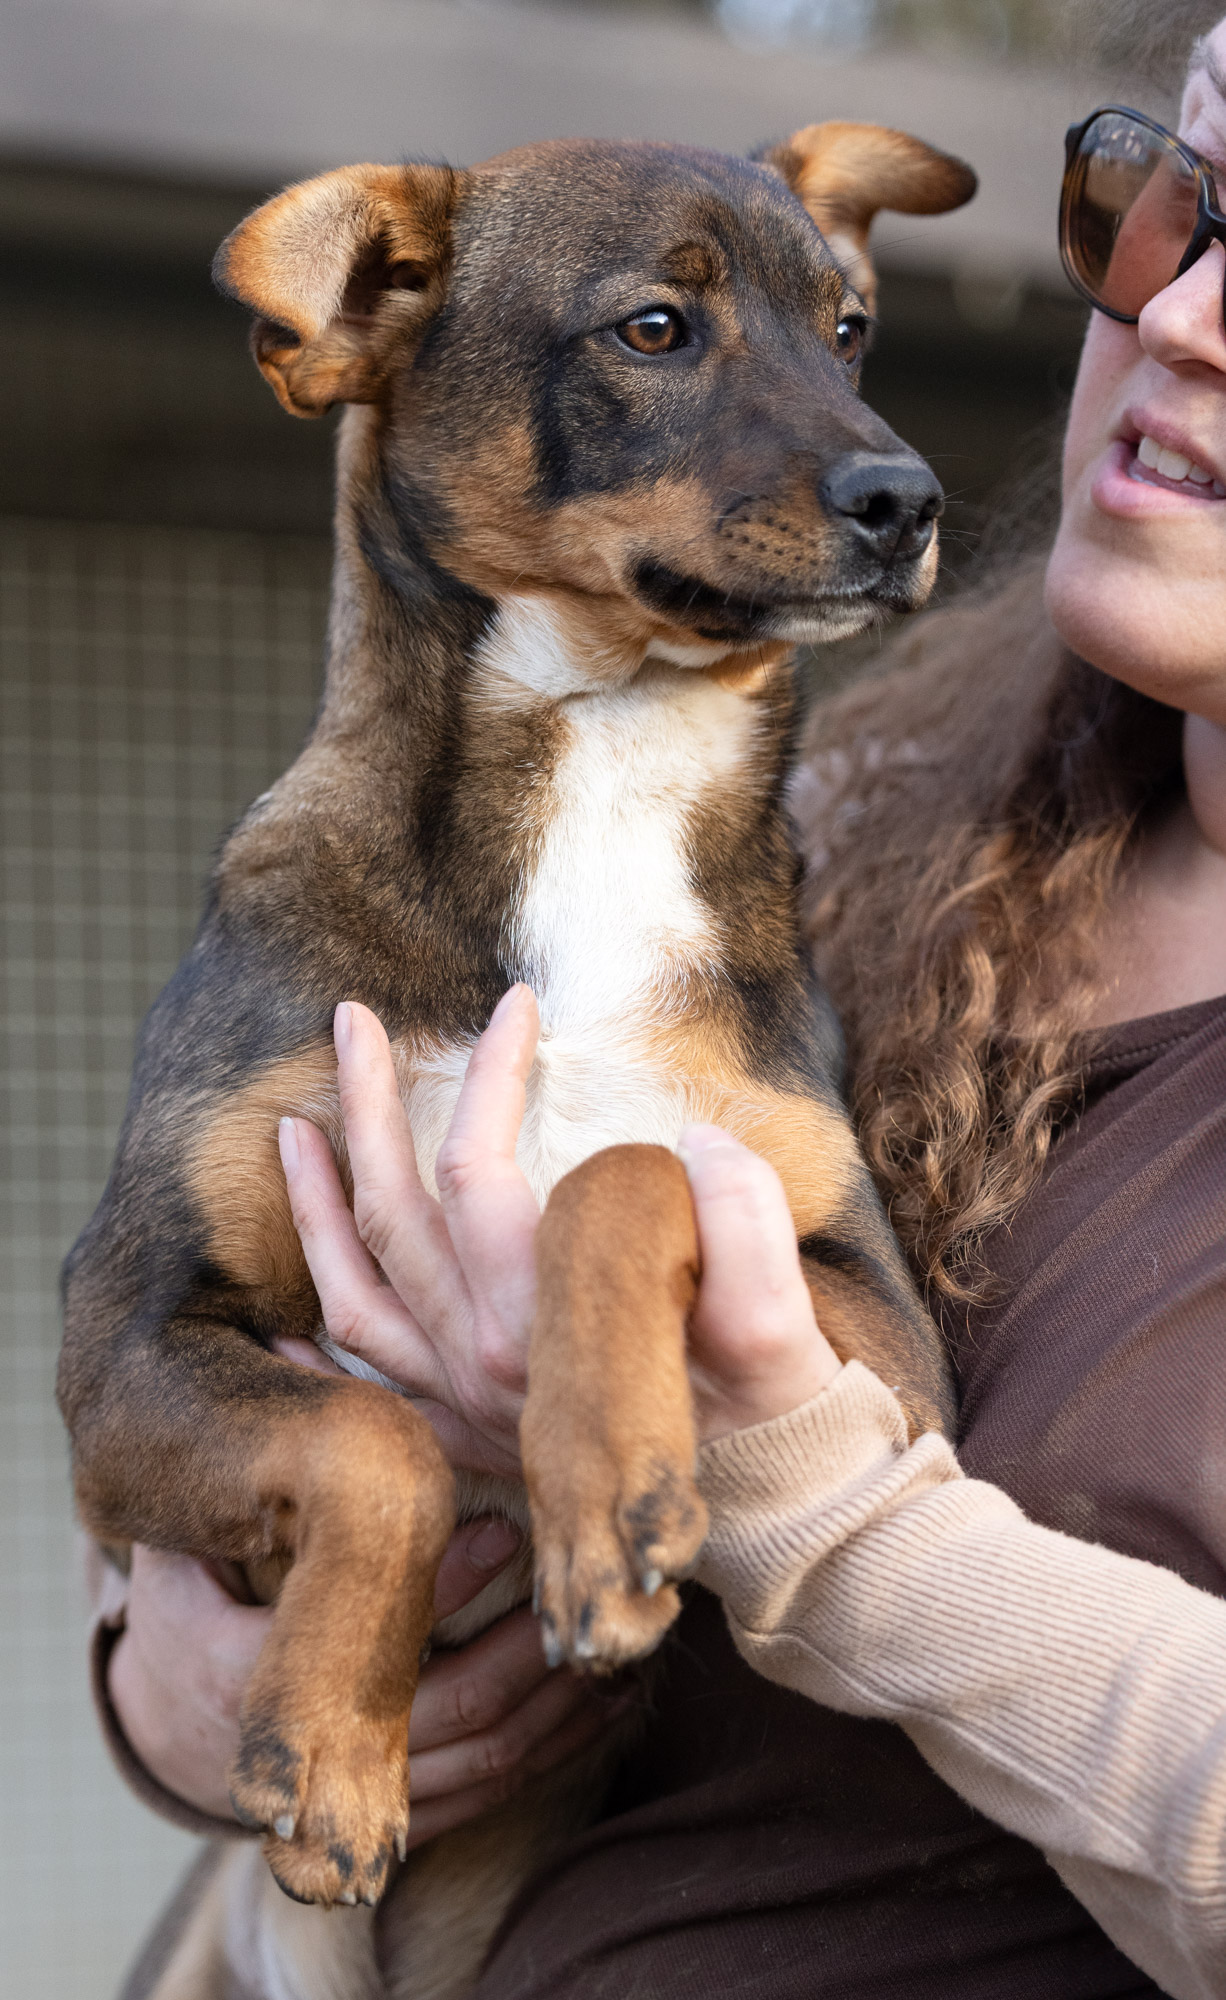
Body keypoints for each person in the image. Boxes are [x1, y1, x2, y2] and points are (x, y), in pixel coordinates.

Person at [95, 14, 1226, 1998]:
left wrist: (747, 1437)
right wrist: (177, 1676)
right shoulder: (862, 827)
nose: (1185, 315)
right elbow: (165, 1376)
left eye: (836, 333)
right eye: (1176, 208)